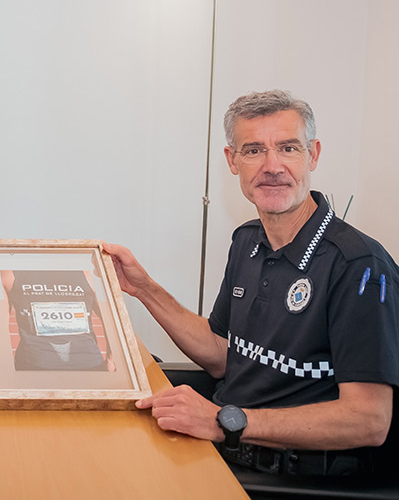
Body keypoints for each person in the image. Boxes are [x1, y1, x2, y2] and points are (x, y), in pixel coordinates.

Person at [103, 89, 399, 477]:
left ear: (313, 154)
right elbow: (221, 355)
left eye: (288, 148)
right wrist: (143, 288)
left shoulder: (358, 265)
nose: (272, 166)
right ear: (232, 160)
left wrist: (223, 420)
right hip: (224, 445)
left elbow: (369, 420)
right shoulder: (247, 240)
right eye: (254, 150)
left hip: (288, 475)